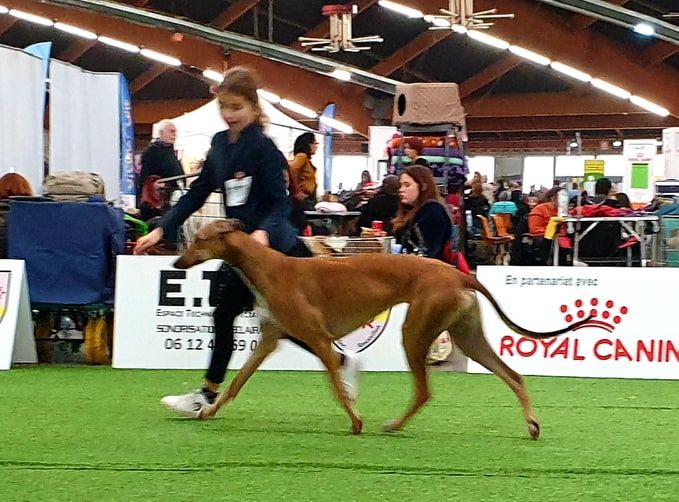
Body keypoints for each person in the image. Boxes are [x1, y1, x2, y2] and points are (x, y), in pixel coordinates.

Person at [133, 67, 359, 417]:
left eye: (236, 107)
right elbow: (198, 192)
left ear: (254, 108)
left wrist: (264, 230)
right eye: (223, 106)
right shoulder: (219, 145)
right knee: (230, 315)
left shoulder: (265, 149)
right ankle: (210, 393)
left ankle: (340, 361)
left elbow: (281, 202)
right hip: (239, 251)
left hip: (278, 250)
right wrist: (163, 228)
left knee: (286, 322)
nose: (228, 114)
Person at [392, 164, 452, 260]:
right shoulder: (415, 211)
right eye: (400, 185)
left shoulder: (433, 211)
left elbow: (426, 253)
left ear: (423, 186)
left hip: (427, 272)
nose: (401, 190)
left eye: (407, 185)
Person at [137, 119, 184, 198]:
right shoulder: (153, 152)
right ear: (161, 133)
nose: (174, 134)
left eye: (175, 131)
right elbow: (146, 176)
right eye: (171, 131)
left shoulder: (171, 152)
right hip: (159, 197)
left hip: (172, 194)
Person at [288, 132, 319, 211]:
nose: (316, 147)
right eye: (314, 143)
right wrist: (297, 191)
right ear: (307, 144)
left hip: (309, 197)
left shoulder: (307, 160)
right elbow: (292, 169)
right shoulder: (302, 156)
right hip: (304, 199)